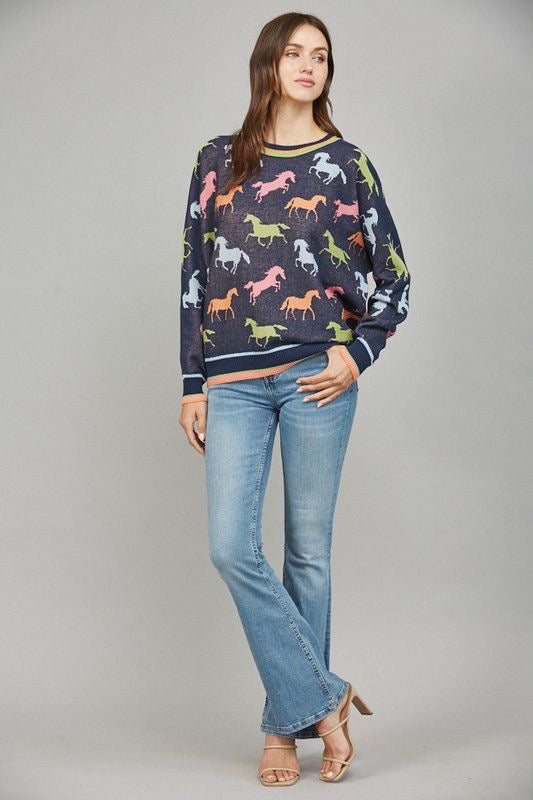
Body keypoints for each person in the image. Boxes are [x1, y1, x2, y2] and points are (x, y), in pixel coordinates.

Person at [178, 12, 411, 786]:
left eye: (320, 55)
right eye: (293, 53)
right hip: (233, 380)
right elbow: (194, 277)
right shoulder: (217, 161)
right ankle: (323, 699)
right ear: (267, 66)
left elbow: (394, 279)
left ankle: (284, 730)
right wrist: (192, 383)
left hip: (319, 373)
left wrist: (357, 355)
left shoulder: (348, 164)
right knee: (229, 546)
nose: (307, 65)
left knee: (307, 553)